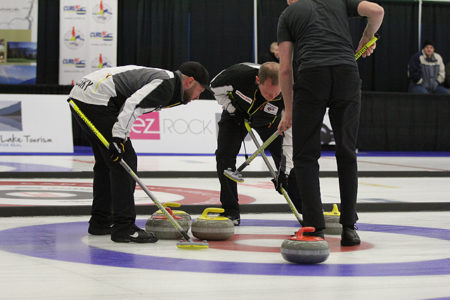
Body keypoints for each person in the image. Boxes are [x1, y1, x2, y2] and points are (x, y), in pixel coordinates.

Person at [277, 0, 384, 246]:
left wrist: (289, 110)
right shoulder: (337, 1)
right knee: (346, 152)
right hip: (346, 73)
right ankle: (349, 228)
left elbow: (284, 69)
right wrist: (366, 38)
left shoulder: (289, 14)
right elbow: (377, 11)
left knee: (305, 156)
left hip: (312, 75)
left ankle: (314, 228)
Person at [68, 62, 210, 243]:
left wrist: (118, 137)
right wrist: (118, 138)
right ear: (190, 81)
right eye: (200, 91)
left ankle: (100, 222)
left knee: (107, 163)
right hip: (94, 98)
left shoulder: (168, 82)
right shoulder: (166, 84)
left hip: (85, 95)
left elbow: (129, 105)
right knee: (124, 161)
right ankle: (124, 228)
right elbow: (133, 105)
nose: (198, 97)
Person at [211, 62, 301, 225]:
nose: (272, 97)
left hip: (270, 122)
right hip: (236, 114)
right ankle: (231, 212)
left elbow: (289, 135)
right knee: (224, 157)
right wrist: (231, 109)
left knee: (288, 167)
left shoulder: (291, 92)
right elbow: (215, 87)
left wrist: (284, 170)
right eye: (267, 94)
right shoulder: (237, 75)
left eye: (275, 94)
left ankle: (306, 211)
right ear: (258, 80)